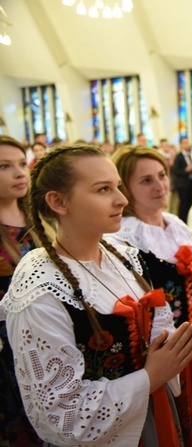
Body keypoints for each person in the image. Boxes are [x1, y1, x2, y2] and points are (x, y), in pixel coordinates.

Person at [0, 144, 192, 446]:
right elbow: (61, 415)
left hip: (151, 411)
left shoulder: (123, 255)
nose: (121, 199)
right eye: (103, 189)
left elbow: (158, 324)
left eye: (118, 186)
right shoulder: (40, 288)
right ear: (59, 202)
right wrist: (150, 376)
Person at [108, 146, 192, 446]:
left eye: (162, 175)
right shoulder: (122, 239)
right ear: (125, 188)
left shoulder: (176, 225)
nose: (160, 185)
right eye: (146, 180)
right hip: (164, 358)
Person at [0, 135, 42, 446]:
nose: (19, 173)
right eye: (4, 166)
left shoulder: (35, 216)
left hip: (45, 336)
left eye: (21, 163)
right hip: (8, 350)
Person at [171, 137, 192, 222]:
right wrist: (185, 170)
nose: (186, 144)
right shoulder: (179, 156)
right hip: (182, 185)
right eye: (184, 143)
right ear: (181, 145)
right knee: (184, 205)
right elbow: (175, 170)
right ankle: (183, 221)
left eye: (187, 142)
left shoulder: (191, 155)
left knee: (190, 204)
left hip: (190, 184)